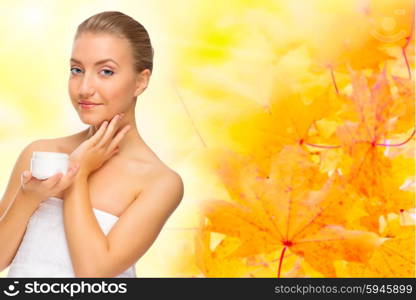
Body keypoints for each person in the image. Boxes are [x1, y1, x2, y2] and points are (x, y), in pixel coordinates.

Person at [0, 11, 184, 278]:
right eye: (76, 70)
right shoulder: (40, 154)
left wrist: (78, 173)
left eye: (106, 72)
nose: (85, 87)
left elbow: (93, 274)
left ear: (140, 81)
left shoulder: (160, 183)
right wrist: (29, 197)